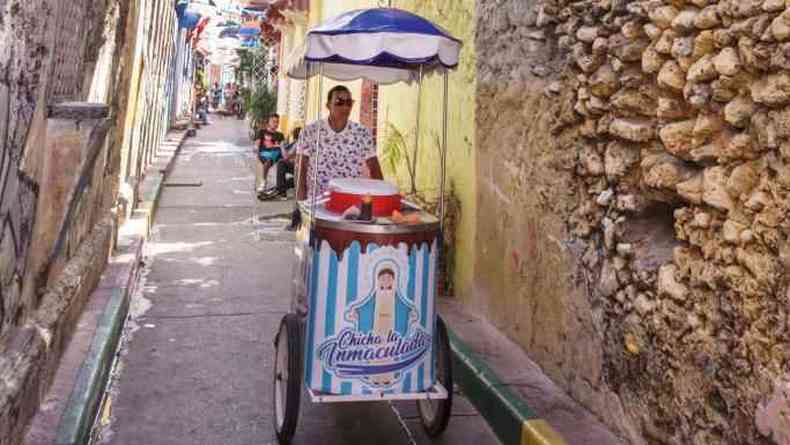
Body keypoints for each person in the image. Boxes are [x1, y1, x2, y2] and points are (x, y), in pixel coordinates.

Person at [294, 85, 383, 202]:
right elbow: (301, 168)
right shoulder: (310, 131)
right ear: (328, 105)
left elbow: (374, 168)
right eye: (339, 101)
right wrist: (301, 203)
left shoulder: (362, 133)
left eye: (349, 102)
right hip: (317, 202)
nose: (345, 106)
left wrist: (380, 198)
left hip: (351, 201)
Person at [259, 126, 301, 201]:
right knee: (287, 181)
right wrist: (286, 140)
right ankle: (279, 192)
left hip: (301, 171)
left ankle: (280, 193)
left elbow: (286, 156)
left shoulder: (298, 143)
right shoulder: (295, 142)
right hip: (300, 170)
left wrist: (282, 145)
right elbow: (287, 150)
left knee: (281, 163)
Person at [255, 114, 284, 192]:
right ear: (269, 122)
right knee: (267, 160)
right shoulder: (261, 132)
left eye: (277, 122)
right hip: (263, 153)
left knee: (276, 153)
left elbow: (282, 147)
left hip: (275, 153)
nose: (276, 124)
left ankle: (280, 186)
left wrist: (279, 146)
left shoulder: (280, 135)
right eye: (273, 122)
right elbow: (257, 144)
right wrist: (257, 153)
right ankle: (263, 182)